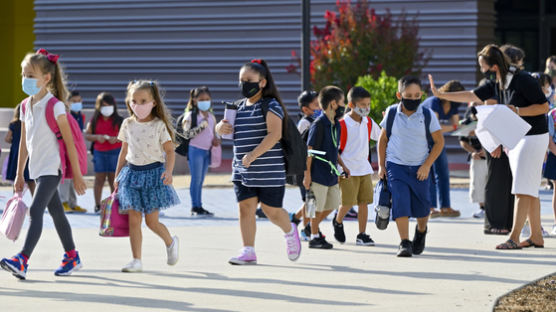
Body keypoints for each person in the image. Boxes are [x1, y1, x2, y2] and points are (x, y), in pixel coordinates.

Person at [429, 44, 549, 249]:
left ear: (494, 66)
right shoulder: (497, 82)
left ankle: (514, 237)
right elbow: (472, 95)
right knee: (529, 190)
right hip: (517, 138)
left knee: (521, 189)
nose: (481, 70)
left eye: (483, 67)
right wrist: (440, 94)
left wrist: (517, 110)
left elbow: (544, 106)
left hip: (533, 137)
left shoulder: (523, 79)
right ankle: (536, 236)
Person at [0, 48, 86, 279]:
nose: (24, 80)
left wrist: (77, 175)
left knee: (36, 210)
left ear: (46, 78)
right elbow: (24, 144)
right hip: (36, 170)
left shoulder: (55, 105)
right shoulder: (25, 105)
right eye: (23, 75)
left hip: (52, 168)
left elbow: (69, 143)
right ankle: (72, 255)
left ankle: (22, 259)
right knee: (57, 213)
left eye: (30, 76)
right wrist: (19, 174)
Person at [215, 59, 301, 265]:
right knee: (245, 208)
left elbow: (275, 134)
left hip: (269, 170)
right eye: (241, 80)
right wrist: (220, 128)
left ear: (262, 82)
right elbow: (225, 130)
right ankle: (248, 250)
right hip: (242, 170)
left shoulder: (271, 105)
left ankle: (290, 231)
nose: (244, 84)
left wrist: (253, 155)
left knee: (271, 211)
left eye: (249, 80)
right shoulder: (237, 107)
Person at [114, 80, 180, 272]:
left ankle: (170, 242)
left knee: (151, 222)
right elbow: (123, 151)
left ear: (154, 103)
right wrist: (117, 175)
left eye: (143, 101)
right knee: (134, 219)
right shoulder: (127, 124)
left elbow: (169, 151)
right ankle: (136, 260)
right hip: (131, 175)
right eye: (134, 101)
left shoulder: (159, 125)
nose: (138, 105)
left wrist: (168, 171)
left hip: (153, 175)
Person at [377, 76, 444, 257]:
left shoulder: (428, 115)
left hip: (419, 168)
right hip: (396, 166)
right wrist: (381, 166)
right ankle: (404, 242)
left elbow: (439, 142)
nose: (413, 99)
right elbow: (383, 140)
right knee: (400, 201)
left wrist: (427, 165)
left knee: (423, 208)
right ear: (400, 95)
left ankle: (421, 232)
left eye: (416, 95)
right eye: (408, 95)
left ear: (421, 95)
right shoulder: (391, 113)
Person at [303, 86, 350, 250]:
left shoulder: (336, 124)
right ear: (333, 104)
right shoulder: (319, 124)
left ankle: (311, 227)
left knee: (332, 205)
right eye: (342, 102)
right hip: (318, 174)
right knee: (316, 207)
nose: (344, 105)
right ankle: (314, 236)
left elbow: (335, 148)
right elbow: (310, 150)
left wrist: (343, 166)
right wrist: (307, 174)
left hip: (331, 173)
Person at [332, 86, 380, 246]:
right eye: (363, 105)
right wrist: (341, 168)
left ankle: (362, 234)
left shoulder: (368, 122)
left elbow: (381, 137)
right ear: (351, 105)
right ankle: (338, 221)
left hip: (364, 168)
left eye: (368, 104)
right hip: (347, 170)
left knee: (364, 202)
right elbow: (335, 149)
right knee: (347, 202)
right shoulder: (342, 124)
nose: (366, 108)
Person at [422, 80, 465, 218]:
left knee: (443, 172)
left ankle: (445, 206)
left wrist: (457, 127)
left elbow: (456, 124)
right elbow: (435, 126)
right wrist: (453, 127)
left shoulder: (453, 105)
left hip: (437, 140)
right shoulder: (434, 102)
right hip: (423, 139)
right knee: (429, 172)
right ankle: (430, 207)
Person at [179, 86, 218, 217]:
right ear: (195, 101)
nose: (205, 102)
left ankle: (199, 205)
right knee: (195, 179)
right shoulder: (190, 115)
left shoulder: (211, 116)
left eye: (207, 99)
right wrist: (201, 126)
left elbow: (213, 133)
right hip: (195, 150)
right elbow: (186, 134)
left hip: (207, 151)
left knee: (201, 180)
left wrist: (216, 140)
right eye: (201, 99)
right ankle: (195, 206)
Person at [84, 92, 123, 213]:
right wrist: (97, 137)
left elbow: (126, 136)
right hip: (99, 153)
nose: (107, 108)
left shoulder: (119, 120)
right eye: (104, 105)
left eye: (109, 105)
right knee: (99, 180)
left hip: (115, 152)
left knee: (114, 180)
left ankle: (114, 204)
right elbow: (87, 135)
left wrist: (116, 138)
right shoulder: (95, 120)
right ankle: (97, 205)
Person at [294, 90, 320, 240]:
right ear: (305, 109)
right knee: (310, 200)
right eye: (315, 105)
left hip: (315, 166)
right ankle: (306, 228)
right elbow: (298, 145)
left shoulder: (318, 121)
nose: (319, 108)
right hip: (305, 167)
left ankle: (296, 219)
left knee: (312, 199)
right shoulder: (305, 123)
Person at [58, 90, 87, 213]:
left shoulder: (80, 116)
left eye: (79, 101)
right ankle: (63, 202)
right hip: (66, 150)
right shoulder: (64, 115)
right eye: (74, 101)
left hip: (77, 151)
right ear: (67, 102)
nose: (77, 103)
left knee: (74, 176)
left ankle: (72, 202)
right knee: (65, 177)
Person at [458, 102, 487, 218]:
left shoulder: (490, 120)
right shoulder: (468, 121)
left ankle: (493, 209)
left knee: (492, 184)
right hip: (477, 156)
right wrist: (473, 152)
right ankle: (483, 209)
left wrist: (488, 149)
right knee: (478, 183)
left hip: (493, 156)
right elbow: (463, 141)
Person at [4, 104, 36, 195]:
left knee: (17, 178)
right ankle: (35, 198)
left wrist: (14, 141)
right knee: (30, 179)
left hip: (16, 154)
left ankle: (16, 198)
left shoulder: (13, 124)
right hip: (27, 153)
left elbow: (7, 138)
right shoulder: (30, 123)